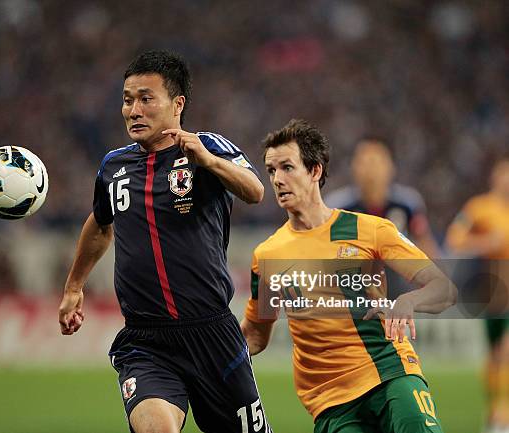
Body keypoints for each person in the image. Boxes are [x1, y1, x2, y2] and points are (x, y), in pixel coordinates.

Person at [58, 50, 272, 433]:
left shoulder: (209, 148)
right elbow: (100, 224)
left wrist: (208, 161)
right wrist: (74, 286)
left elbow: (255, 191)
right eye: (127, 100)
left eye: (145, 98)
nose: (133, 110)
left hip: (213, 334)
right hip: (146, 340)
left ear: (177, 104)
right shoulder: (114, 167)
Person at [241, 119, 457, 433]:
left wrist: (409, 300)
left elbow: (443, 288)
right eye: (272, 170)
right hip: (331, 401)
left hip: (390, 373)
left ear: (315, 171)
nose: (277, 179)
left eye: (287, 167)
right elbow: (255, 336)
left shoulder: (370, 230)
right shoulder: (268, 255)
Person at [445, 155, 509, 433]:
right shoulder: (480, 208)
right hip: (491, 295)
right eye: (504, 173)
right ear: (494, 177)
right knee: (494, 357)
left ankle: (502, 416)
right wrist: (487, 242)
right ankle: (494, 413)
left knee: (506, 353)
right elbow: (454, 239)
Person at [325, 137, 439, 258]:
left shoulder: (407, 204)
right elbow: (331, 252)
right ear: (353, 168)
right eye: (363, 162)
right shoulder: (340, 208)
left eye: (375, 162)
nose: (370, 170)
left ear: (391, 167)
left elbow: (425, 246)